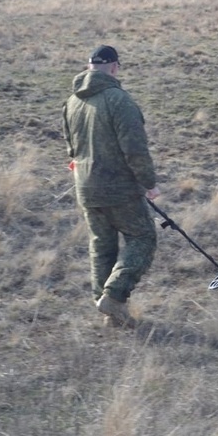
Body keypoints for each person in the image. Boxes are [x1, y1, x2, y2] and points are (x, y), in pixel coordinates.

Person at [62, 45, 160, 328]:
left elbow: (71, 148)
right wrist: (148, 183)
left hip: (85, 187)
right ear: (115, 67)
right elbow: (135, 149)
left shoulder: (71, 102)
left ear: (88, 65)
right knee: (142, 238)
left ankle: (109, 312)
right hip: (118, 188)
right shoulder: (119, 100)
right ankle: (114, 297)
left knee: (101, 246)